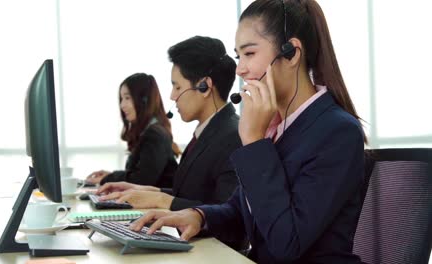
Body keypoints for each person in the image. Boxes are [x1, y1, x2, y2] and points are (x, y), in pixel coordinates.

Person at [129, 1, 367, 263]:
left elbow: (286, 243)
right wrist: (198, 216)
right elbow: (242, 210)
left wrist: (254, 141)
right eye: (238, 57)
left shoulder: (336, 131)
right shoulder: (278, 126)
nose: (240, 69)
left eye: (249, 54)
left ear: (291, 53)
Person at [96, 36, 241, 211]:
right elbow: (190, 195)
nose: (172, 96)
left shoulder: (233, 136)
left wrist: (162, 200)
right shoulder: (208, 131)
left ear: (204, 87)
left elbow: (228, 212)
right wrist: (145, 191)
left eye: (177, 87)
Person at [86, 73, 180, 189]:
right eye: (121, 99)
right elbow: (138, 176)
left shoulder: (155, 134)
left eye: (127, 98)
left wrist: (108, 178)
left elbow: (141, 181)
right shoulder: (149, 132)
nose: (122, 105)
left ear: (144, 100)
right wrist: (110, 176)